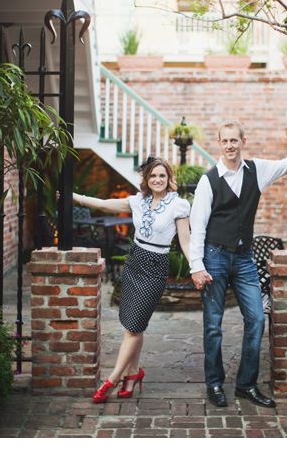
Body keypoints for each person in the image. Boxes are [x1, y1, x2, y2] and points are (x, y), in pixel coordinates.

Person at [189, 121, 287, 408]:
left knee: (257, 319)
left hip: (245, 258)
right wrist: (197, 266)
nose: (230, 145)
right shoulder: (208, 180)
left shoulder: (256, 170)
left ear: (243, 141)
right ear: (219, 143)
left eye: (235, 140)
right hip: (214, 256)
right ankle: (214, 384)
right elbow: (197, 227)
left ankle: (246, 385)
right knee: (213, 325)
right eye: (225, 141)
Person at [64, 157, 193, 402]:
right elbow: (103, 203)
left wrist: (196, 268)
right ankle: (133, 375)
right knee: (133, 324)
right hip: (134, 261)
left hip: (156, 266)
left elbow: (186, 241)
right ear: (146, 179)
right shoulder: (137, 202)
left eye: (162, 176)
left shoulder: (179, 205)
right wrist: (76, 198)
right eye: (153, 176)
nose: (157, 180)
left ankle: (111, 379)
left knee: (134, 326)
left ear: (169, 179)